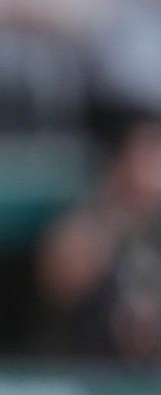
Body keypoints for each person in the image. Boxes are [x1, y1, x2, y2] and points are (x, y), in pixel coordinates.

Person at [39, 95, 161, 367]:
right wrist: (125, 210)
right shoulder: (92, 220)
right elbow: (59, 282)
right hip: (95, 382)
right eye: (148, 152)